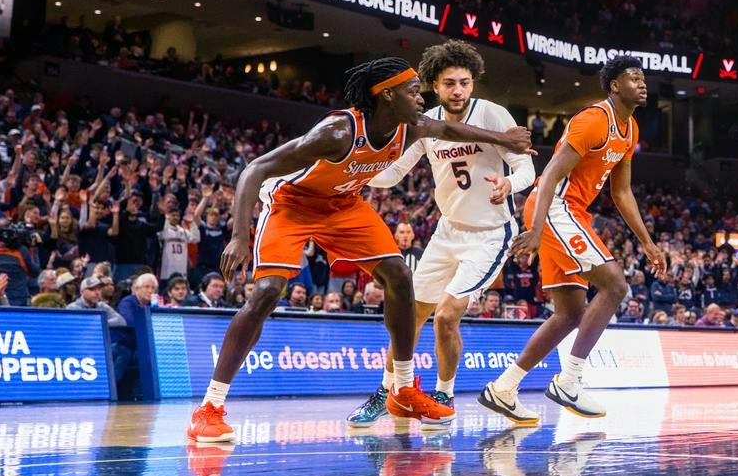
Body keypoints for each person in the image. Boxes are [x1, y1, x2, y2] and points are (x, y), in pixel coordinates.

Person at [187, 58, 528, 445]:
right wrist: (238, 237)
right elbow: (254, 169)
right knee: (266, 292)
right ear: (387, 95)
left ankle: (402, 389)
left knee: (400, 276)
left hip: (344, 206)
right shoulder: (337, 131)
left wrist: (505, 141)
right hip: (293, 205)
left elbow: (451, 129)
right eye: (413, 91)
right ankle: (209, 408)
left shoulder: (412, 126)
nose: (421, 98)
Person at [352, 41, 534, 429]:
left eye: (464, 82)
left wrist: (510, 183)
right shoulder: (425, 122)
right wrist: (357, 170)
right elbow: (393, 173)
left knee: (447, 316)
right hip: (447, 230)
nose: (458, 90)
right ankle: (387, 390)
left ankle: (443, 394)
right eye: (449, 83)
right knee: (409, 315)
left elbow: (526, 168)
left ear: (473, 83)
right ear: (434, 85)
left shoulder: (492, 114)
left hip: (489, 234)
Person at [491, 58, 662, 423]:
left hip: (571, 213)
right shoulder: (594, 120)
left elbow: (622, 192)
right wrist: (537, 229)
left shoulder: (630, 129)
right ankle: (569, 380)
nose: (642, 83)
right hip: (554, 207)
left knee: (570, 313)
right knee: (615, 285)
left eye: (643, 78)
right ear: (614, 85)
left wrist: (647, 242)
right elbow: (551, 173)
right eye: (633, 78)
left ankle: (504, 387)